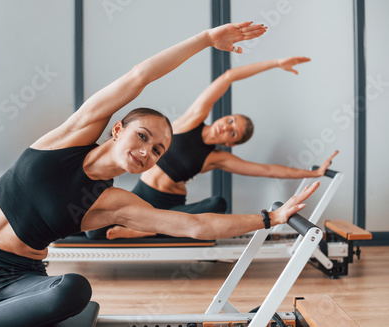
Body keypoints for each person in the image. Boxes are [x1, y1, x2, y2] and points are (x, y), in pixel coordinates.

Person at [0, 22, 320, 327]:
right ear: (117, 129)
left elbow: (194, 224)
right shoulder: (72, 136)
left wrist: (270, 218)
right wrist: (206, 39)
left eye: (157, 150)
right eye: (143, 137)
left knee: (72, 290)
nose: (147, 152)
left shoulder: (114, 203)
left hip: (18, 278)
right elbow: (140, 76)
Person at [95, 57, 338, 240]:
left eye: (234, 133)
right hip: (143, 194)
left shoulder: (216, 157)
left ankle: (142, 232)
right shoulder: (191, 120)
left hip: (172, 204)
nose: (228, 127)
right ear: (225, 117)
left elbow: (267, 170)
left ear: (231, 143)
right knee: (93, 234)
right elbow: (228, 77)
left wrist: (313, 173)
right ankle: (148, 227)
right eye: (231, 121)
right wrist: (275, 63)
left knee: (217, 204)